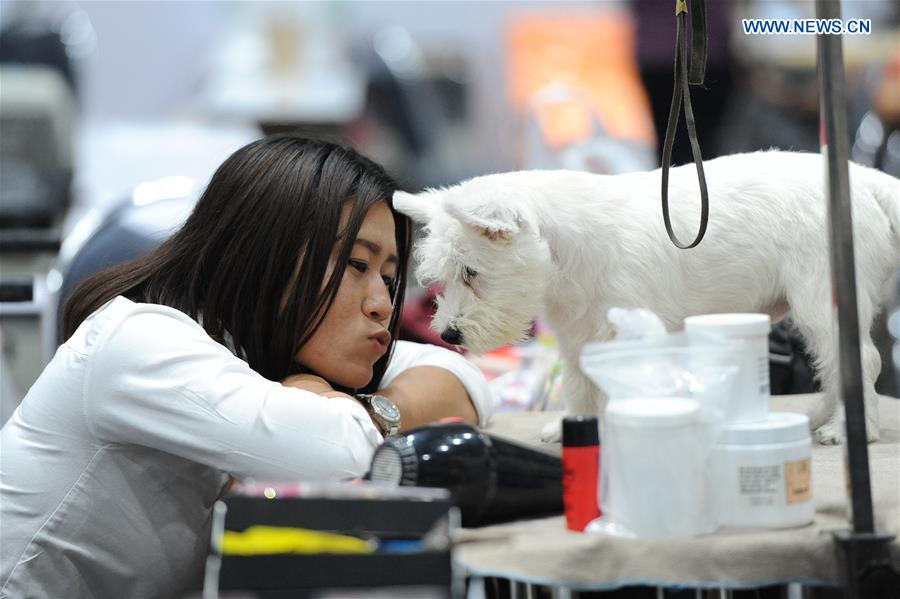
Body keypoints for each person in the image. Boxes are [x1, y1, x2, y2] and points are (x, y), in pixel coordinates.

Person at [0, 136, 493, 599]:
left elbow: (462, 382)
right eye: (357, 266)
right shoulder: (141, 343)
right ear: (267, 253)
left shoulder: (273, 349)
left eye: (389, 279)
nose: (382, 305)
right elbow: (339, 454)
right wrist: (355, 416)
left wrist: (364, 409)